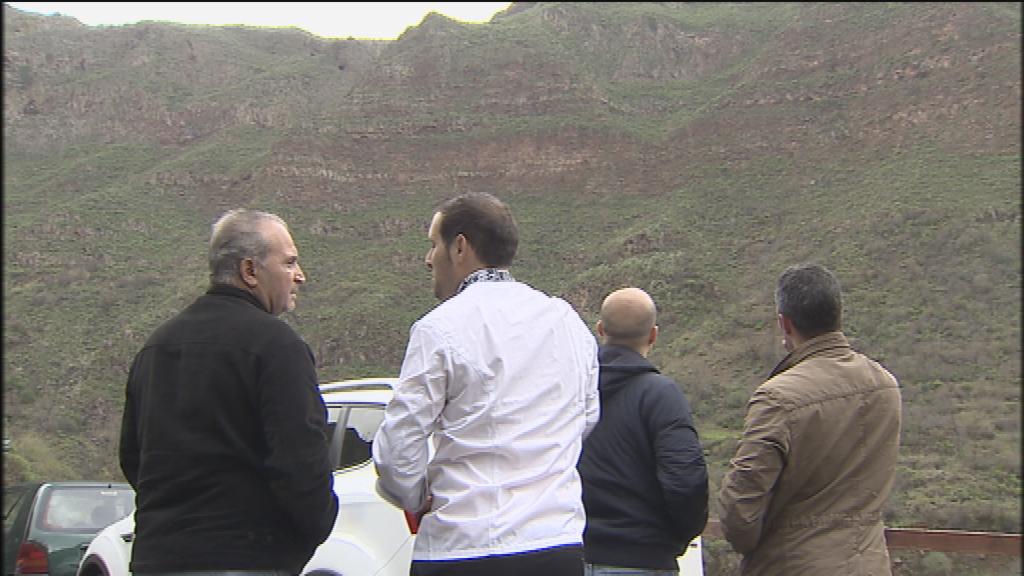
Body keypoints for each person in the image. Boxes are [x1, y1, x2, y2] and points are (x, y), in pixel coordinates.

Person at [373, 192, 600, 576]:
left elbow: (398, 449)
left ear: (460, 247)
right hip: (555, 544)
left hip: (462, 547)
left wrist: (418, 498)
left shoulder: (438, 329)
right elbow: (586, 417)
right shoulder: (567, 322)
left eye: (433, 244)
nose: (428, 258)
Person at [119, 209, 339, 576]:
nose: (300, 275)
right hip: (246, 558)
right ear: (250, 270)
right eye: (289, 263)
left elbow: (132, 456)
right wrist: (315, 526)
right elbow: (300, 460)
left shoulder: (156, 346)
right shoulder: (278, 346)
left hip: (156, 558)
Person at [717, 263, 902, 575]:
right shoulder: (885, 385)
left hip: (793, 565)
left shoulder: (778, 398)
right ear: (837, 313)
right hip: (870, 563)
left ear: (785, 323)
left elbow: (740, 513)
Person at [579, 287, 708, 576]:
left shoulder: (572, 391)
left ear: (600, 330)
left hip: (571, 553)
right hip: (644, 557)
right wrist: (675, 539)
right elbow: (685, 481)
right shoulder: (662, 396)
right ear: (653, 335)